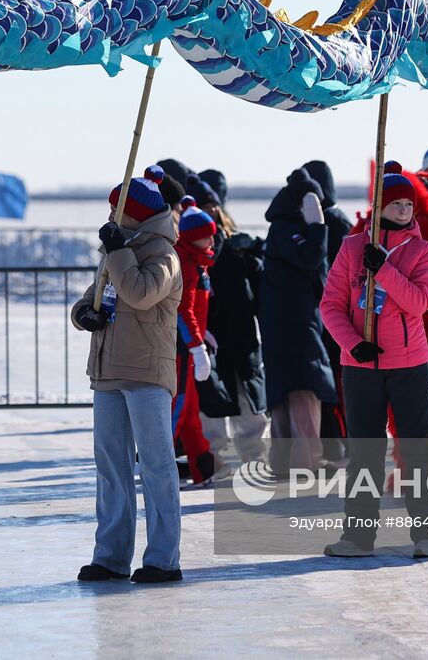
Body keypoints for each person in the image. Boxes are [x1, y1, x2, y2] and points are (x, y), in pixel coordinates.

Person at [319, 165, 428, 558]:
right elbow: (331, 305)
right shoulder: (351, 247)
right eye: (396, 204)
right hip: (361, 369)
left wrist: (384, 270)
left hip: (409, 365)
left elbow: (418, 302)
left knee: (418, 449)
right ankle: (358, 536)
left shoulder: (421, 251)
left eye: (409, 204)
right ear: (379, 207)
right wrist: (352, 344)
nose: (405, 210)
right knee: (364, 452)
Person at [71, 166, 185, 583]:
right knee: (111, 468)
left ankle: (162, 558)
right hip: (107, 372)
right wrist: (84, 314)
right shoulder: (115, 250)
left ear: (134, 214)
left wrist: (118, 251)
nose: (111, 218)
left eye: (117, 210)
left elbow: (139, 292)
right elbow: (93, 295)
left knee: (156, 466)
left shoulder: (164, 254)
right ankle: (111, 555)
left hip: (146, 374)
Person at [259, 167, 338, 474]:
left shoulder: (280, 228)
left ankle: (284, 462)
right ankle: (306, 461)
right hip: (294, 323)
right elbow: (310, 258)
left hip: (286, 321)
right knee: (304, 388)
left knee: (287, 389)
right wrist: (318, 226)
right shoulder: (287, 229)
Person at [192, 171, 269, 465]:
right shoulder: (194, 243)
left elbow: (258, 280)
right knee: (212, 395)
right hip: (210, 330)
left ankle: (253, 453)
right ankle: (212, 454)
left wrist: (255, 253)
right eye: (205, 204)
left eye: (214, 204)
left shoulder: (236, 241)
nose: (211, 210)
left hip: (241, 329)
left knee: (247, 395)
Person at [302, 160, 353, 464]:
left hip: (331, 314)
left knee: (331, 384)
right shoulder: (342, 221)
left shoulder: (327, 223)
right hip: (341, 314)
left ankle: (337, 442)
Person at [172, 197, 223, 485]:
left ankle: (203, 466)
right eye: (205, 235)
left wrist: (204, 333)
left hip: (191, 344)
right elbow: (183, 309)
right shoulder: (186, 264)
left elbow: (196, 312)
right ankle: (158, 465)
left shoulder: (199, 262)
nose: (211, 240)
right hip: (182, 349)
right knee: (178, 409)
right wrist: (196, 344)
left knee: (190, 410)